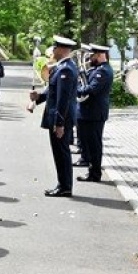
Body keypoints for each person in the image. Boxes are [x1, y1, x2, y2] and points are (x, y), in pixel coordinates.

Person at [29, 37, 80, 197]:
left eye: (55, 48)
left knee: (61, 152)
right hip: (59, 117)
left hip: (61, 118)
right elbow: (52, 91)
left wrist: (59, 124)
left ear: (62, 50)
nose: (53, 51)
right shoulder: (62, 67)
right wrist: (37, 98)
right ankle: (63, 184)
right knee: (59, 152)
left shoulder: (66, 69)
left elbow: (63, 100)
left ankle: (65, 187)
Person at [74, 44, 113, 183]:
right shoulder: (96, 69)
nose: (90, 58)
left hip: (94, 113)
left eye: (93, 55)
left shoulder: (103, 71)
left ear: (100, 55)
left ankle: (95, 173)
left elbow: (91, 89)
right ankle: (91, 171)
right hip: (88, 112)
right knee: (88, 144)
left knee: (94, 145)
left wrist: (76, 88)